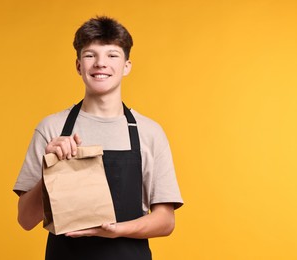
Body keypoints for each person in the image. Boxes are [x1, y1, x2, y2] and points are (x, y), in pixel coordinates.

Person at [13, 16, 183, 260]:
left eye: (112, 55)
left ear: (126, 66)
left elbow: (166, 221)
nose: (100, 63)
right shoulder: (52, 128)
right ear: (78, 65)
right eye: (90, 55)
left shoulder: (150, 132)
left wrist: (116, 230)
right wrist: (51, 170)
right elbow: (26, 220)